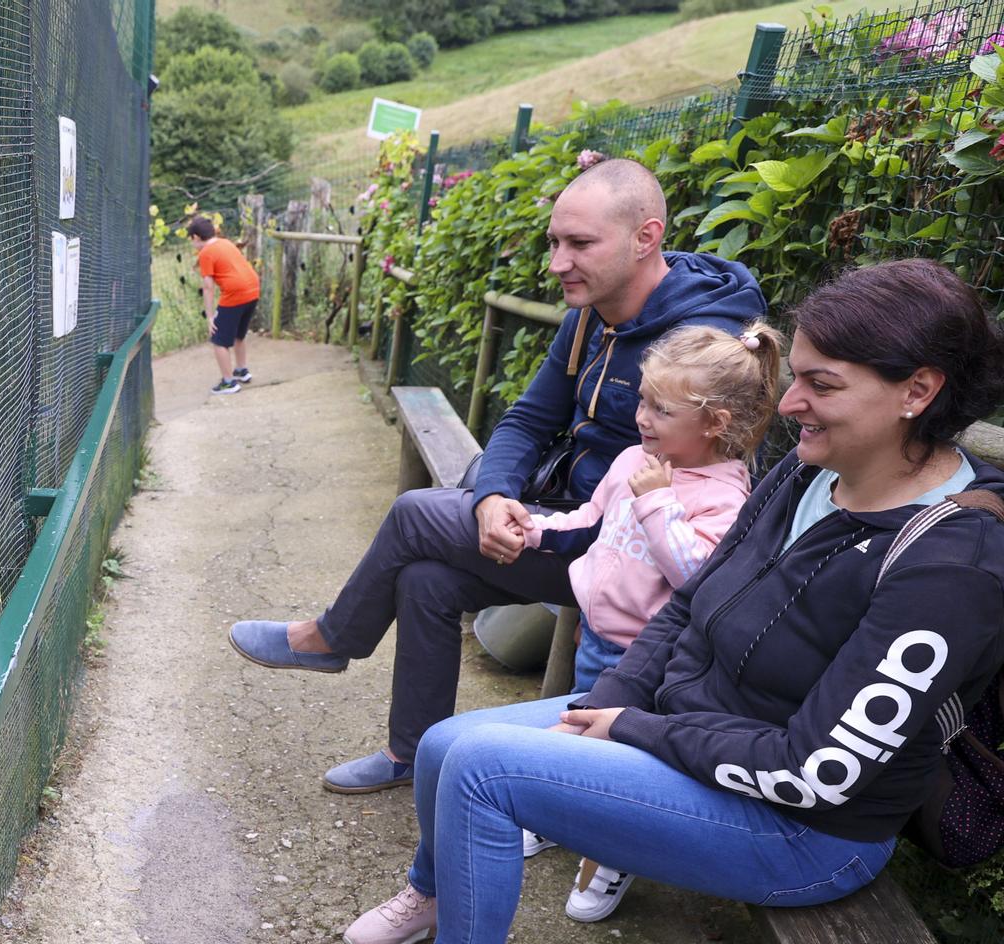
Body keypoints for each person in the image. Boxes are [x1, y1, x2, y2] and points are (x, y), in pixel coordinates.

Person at [330, 259, 1004, 944]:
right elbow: (689, 604)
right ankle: (443, 896)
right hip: (694, 737)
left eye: (820, 386)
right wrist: (609, 700)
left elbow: (817, 771)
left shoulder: (951, 562)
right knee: (442, 742)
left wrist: (635, 728)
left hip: (802, 828)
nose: (789, 406)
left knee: (479, 771)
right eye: (795, 379)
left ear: (917, 390)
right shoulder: (808, 472)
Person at [227, 158, 766, 793]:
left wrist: (526, 513)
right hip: (566, 519)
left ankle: (332, 636)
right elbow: (526, 421)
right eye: (554, 242)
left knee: (416, 513)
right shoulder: (588, 317)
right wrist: (493, 498)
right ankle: (411, 755)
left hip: (633, 550)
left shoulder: (706, 340)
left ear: (646, 238)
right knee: (428, 579)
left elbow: (703, 477)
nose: (558, 263)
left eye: (580, 244)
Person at [514, 320, 778, 922]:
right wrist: (533, 529)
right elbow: (589, 518)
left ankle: (615, 854)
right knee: (578, 727)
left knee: (628, 759)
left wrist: (659, 501)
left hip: (652, 659)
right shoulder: (634, 457)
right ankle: (559, 813)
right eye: (642, 399)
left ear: (713, 423)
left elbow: (696, 580)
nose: (643, 417)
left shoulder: (724, 495)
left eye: (661, 408)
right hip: (596, 634)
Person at [188, 216, 260, 395]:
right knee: (238, 335)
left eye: (191, 240)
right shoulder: (226, 242)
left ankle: (228, 382)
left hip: (235, 294)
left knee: (218, 339)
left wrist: (210, 316)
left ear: (196, 237)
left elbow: (208, 286)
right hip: (253, 290)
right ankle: (241, 370)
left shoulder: (205, 252)